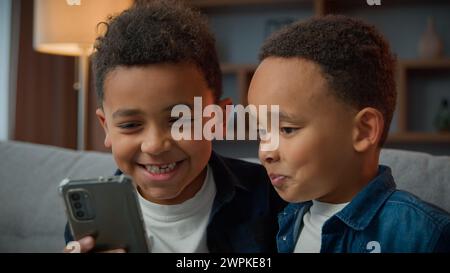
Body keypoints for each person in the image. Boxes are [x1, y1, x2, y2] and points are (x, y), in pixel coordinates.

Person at [64, 0, 285, 253]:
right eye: (131, 125)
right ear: (106, 127)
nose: (155, 145)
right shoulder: (90, 223)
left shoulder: (270, 195)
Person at [247, 15, 450, 253]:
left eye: (287, 129)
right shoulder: (277, 221)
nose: (265, 152)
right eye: (261, 130)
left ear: (364, 131)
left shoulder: (425, 236)